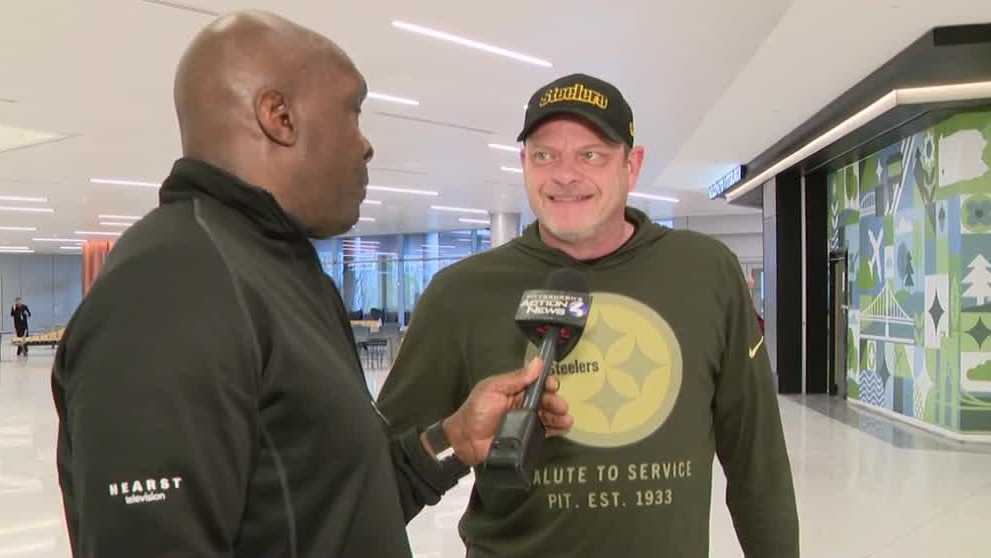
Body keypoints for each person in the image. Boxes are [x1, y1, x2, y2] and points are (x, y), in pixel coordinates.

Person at [50, 11, 571, 558]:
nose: (366, 146)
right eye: (353, 113)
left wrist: (456, 440)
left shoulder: (281, 271)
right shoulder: (171, 290)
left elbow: (339, 509)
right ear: (280, 116)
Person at [378, 73, 799, 557]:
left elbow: (757, 463)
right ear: (523, 164)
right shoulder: (461, 293)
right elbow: (375, 481)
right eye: (544, 155)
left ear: (632, 165)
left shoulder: (706, 273)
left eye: (591, 154)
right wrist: (449, 439)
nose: (564, 174)